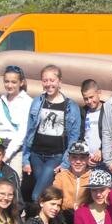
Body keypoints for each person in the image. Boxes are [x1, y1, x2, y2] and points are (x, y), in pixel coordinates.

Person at [22, 65, 82, 201]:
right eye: (45, 80)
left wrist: (66, 162)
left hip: (55, 157)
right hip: (36, 155)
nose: (48, 84)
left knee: (37, 195)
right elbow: (29, 130)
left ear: (59, 81)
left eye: (52, 80)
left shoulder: (71, 106)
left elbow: (74, 137)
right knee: (47, 194)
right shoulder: (37, 102)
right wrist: (25, 159)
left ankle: (37, 214)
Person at [0, 64, 32, 176]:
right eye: (6, 81)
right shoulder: (0, 102)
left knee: (13, 179)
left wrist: (7, 155)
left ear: (21, 83)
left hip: (16, 148)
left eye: (13, 82)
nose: (9, 85)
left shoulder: (27, 102)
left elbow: (22, 132)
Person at [53, 141, 92, 211]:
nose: (78, 161)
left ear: (88, 159)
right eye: (74, 157)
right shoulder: (61, 176)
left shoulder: (93, 177)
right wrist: (73, 205)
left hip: (86, 212)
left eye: (82, 158)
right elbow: (55, 196)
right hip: (65, 212)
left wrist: (81, 207)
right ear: (69, 158)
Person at [80, 79, 104, 169]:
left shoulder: (107, 110)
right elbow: (81, 136)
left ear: (99, 92)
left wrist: (102, 150)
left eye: (91, 97)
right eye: (86, 99)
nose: (89, 101)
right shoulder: (83, 112)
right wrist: (84, 156)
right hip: (87, 159)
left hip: (104, 158)